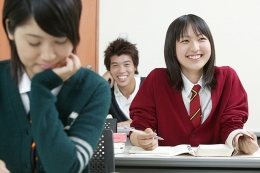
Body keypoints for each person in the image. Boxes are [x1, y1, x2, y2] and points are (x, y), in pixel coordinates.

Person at [0, 0, 111, 173]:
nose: (48, 55)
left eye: (60, 41)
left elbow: (67, 169)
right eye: (34, 42)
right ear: (10, 28)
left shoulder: (93, 88)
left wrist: (40, 88)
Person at [129, 14, 259, 154]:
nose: (195, 48)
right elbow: (139, 126)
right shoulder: (156, 80)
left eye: (201, 39)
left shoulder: (228, 78)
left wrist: (239, 138)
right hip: (168, 167)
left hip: (215, 167)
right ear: (172, 49)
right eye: (185, 40)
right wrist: (140, 138)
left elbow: (232, 124)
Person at [102, 38, 145, 127]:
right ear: (109, 69)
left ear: (135, 66)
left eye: (126, 64)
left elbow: (163, 118)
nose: (121, 70)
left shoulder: (149, 86)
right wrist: (100, 82)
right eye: (115, 65)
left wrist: (133, 123)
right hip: (120, 141)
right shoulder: (107, 91)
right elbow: (89, 118)